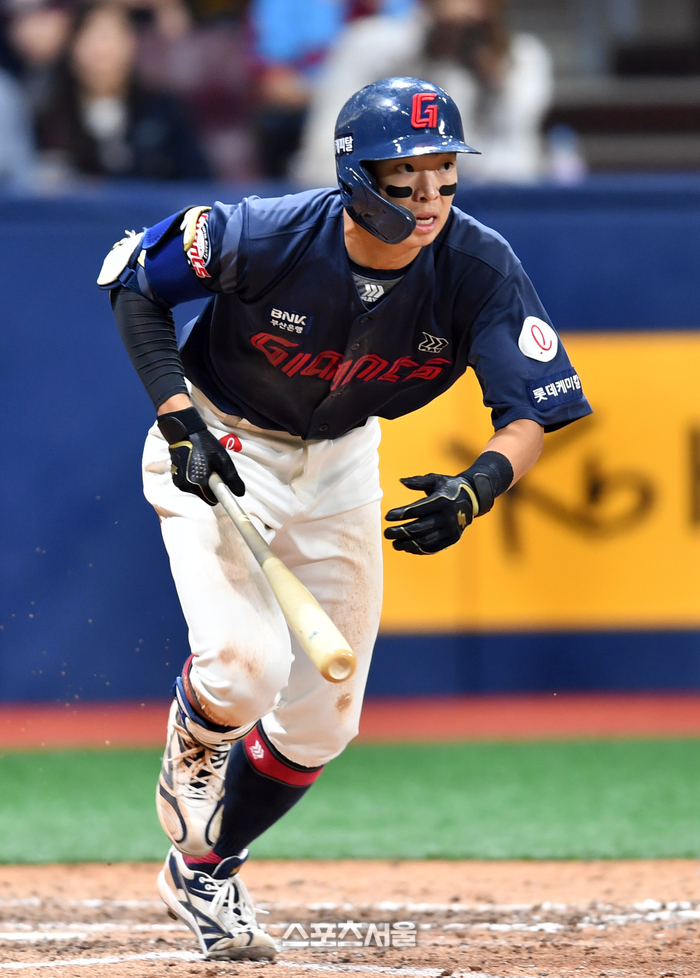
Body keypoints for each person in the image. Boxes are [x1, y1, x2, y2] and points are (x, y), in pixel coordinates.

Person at [98, 76, 591, 960]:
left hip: (342, 460)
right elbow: (136, 281)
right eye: (407, 176)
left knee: (326, 720)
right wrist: (177, 418)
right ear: (359, 177)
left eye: (443, 173)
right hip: (221, 436)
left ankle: (204, 869)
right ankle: (198, 746)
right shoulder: (266, 232)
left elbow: (531, 414)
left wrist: (477, 486)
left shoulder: (476, 264)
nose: (431, 196)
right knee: (245, 668)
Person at [294, 0, 553, 186]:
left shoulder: (523, 56)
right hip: (381, 198)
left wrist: (490, 68)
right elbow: (323, 151)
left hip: (493, 202)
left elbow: (518, 143)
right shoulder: (370, 41)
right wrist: (430, 43)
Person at [36, 1, 211, 180]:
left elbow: (198, 181)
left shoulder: (163, 112)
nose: (102, 50)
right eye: (91, 38)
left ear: (131, 44)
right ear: (72, 48)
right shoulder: (51, 116)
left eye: (111, 37)